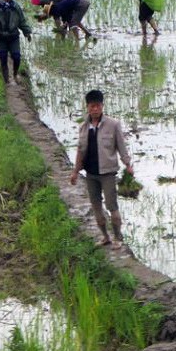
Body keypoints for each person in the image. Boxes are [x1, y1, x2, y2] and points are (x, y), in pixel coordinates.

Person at [69, 89, 133, 247]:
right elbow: (80, 150)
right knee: (96, 206)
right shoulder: (84, 127)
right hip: (90, 173)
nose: (95, 109)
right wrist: (75, 171)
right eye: (92, 106)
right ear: (87, 107)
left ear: (102, 106)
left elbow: (121, 147)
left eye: (97, 106)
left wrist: (128, 164)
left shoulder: (113, 125)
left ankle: (118, 238)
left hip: (108, 173)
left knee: (112, 206)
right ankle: (105, 236)